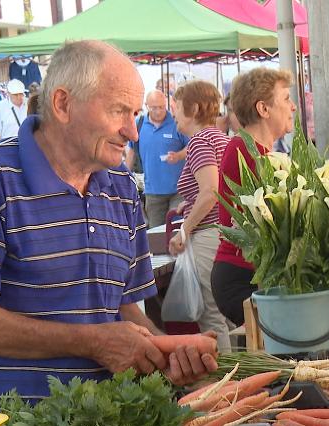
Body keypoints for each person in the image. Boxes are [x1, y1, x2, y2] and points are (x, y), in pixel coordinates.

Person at [0, 40, 217, 402]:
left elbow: (121, 306)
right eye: (119, 112)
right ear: (63, 104)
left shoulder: (122, 187)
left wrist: (164, 350)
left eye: (135, 113)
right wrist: (91, 342)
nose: (133, 132)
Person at [212, 68, 296, 326]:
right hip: (242, 277)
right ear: (263, 109)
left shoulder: (259, 150)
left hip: (249, 273)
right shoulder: (244, 150)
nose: (292, 107)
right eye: (285, 99)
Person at [168, 81, 231, 352]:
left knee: (211, 316)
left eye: (177, 109)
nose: (174, 116)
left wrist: (184, 231)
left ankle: (227, 380)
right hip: (224, 233)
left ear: (193, 109)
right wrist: (189, 202)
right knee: (219, 314)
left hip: (209, 236)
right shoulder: (221, 138)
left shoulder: (199, 142)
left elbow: (210, 193)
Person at [126, 90, 187, 228]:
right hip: (153, 191)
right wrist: (125, 177)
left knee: (176, 229)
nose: (159, 111)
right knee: (156, 233)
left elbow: (191, 146)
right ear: (146, 106)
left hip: (178, 190)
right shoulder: (139, 124)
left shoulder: (176, 122)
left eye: (161, 107)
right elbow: (131, 153)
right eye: (154, 107)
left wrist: (178, 156)